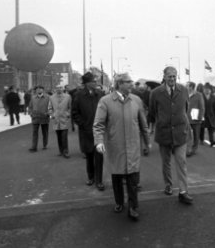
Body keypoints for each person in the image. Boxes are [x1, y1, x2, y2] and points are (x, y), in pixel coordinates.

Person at [93, 73, 151, 221]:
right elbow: (98, 124)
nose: (132, 84)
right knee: (117, 177)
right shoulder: (105, 101)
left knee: (133, 178)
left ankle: (133, 207)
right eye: (128, 82)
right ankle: (119, 202)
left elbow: (143, 124)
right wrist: (99, 141)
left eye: (131, 81)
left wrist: (147, 141)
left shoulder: (136, 100)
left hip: (133, 146)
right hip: (115, 146)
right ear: (119, 84)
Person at [148, 66, 193, 204]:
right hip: (164, 132)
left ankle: (183, 192)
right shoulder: (156, 93)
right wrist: (159, 123)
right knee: (166, 162)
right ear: (164, 77)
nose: (172, 79)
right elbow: (152, 112)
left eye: (174, 76)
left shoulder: (183, 90)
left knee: (181, 161)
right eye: (169, 76)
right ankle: (168, 185)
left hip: (180, 133)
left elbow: (186, 108)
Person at [72, 72, 105, 191]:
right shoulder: (79, 95)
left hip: (99, 131)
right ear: (87, 83)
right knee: (89, 155)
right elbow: (74, 113)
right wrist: (83, 124)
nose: (96, 83)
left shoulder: (100, 94)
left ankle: (99, 180)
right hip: (86, 131)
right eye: (94, 81)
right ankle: (91, 177)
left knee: (99, 156)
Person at [49, 85, 72, 158]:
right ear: (55, 89)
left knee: (64, 136)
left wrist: (68, 114)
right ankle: (61, 150)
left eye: (60, 88)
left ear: (63, 89)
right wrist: (52, 114)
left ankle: (66, 151)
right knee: (58, 136)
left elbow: (70, 107)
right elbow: (50, 108)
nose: (59, 89)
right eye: (57, 88)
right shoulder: (52, 97)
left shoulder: (68, 97)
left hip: (64, 119)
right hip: (56, 119)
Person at [28, 86, 50, 152]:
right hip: (35, 117)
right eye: (37, 89)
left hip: (44, 117)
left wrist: (48, 113)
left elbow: (51, 107)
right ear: (36, 91)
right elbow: (30, 107)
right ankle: (34, 147)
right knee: (35, 132)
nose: (39, 90)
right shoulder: (33, 98)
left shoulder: (48, 97)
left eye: (40, 89)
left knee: (45, 132)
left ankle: (45, 144)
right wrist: (31, 114)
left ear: (43, 90)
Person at [186, 82, 204, 157]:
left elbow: (202, 107)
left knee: (196, 134)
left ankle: (194, 148)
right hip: (186, 118)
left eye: (187, 86)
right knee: (187, 134)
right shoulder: (185, 95)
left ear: (191, 87)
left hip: (196, 118)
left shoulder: (199, 95)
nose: (186, 87)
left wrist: (200, 117)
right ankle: (188, 149)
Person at [200, 83, 215, 147]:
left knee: (211, 128)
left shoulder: (213, 97)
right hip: (203, 115)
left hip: (211, 115)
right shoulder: (200, 96)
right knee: (201, 128)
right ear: (203, 89)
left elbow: (214, 106)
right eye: (205, 89)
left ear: (210, 90)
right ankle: (201, 139)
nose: (207, 90)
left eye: (208, 89)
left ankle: (211, 140)